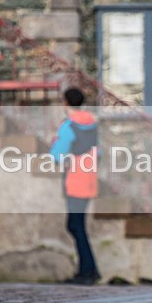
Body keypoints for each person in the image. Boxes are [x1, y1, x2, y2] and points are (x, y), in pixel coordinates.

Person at [50, 87, 100, 285]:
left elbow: (56, 155)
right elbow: (99, 151)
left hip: (75, 179)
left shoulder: (68, 125)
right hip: (89, 178)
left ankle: (88, 271)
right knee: (77, 224)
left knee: (75, 225)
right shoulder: (92, 123)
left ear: (65, 102)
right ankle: (87, 270)